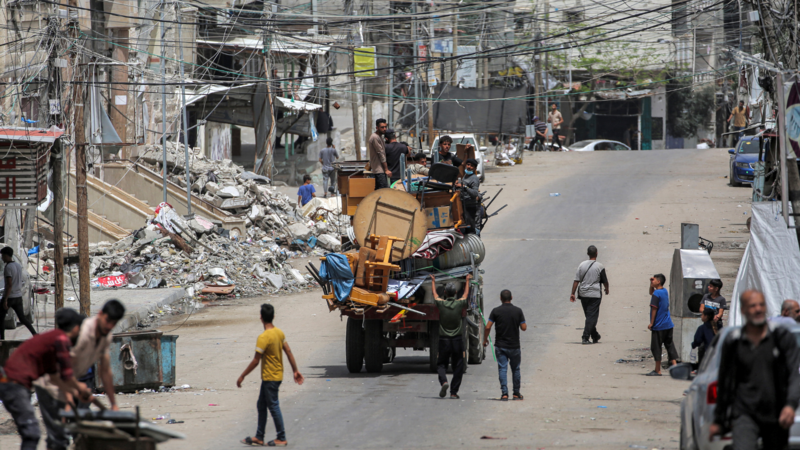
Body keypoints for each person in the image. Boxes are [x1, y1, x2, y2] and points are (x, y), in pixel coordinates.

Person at [710, 290, 800, 449]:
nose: (758, 309)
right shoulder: (734, 342)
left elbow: (793, 374)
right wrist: (719, 420)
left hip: (776, 415)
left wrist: (790, 405)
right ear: (743, 310)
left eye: (761, 305)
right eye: (752, 306)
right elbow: (725, 382)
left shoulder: (782, 337)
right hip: (744, 414)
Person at [32, 300, 126, 450]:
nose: (109, 326)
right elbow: (62, 370)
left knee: (82, 431)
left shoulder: (106, 336)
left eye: (113, 323)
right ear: (100, 314)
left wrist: (113, 404)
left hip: (74, 383)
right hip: (50, 384)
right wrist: (69, 399)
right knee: (58, 436)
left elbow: (105, 370)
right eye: (108, 321)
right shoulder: (80, 333)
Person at [0, 308, 92, 450]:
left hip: (12, 384)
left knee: (39, 433)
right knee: (31, 433)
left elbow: (55, 377)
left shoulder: (51, 339)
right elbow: (67, 375)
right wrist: (80, 388)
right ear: (75, 328)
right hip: (14, 385)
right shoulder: (60, 339)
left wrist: (73, 392)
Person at [238, 303, 304, 447]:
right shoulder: (279, 333)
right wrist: (295, 370)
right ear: (273, 317)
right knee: (261, 405)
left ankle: (281, 437)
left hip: (270, 377)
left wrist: (242, 376)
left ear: (261, 317)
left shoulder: (263, 337)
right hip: (276, 376)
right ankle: (259, 436)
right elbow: (289, 351)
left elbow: (256, 360)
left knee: (273, 406)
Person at [430, 273, 471, 400]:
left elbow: (435, 295)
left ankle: (444, 382)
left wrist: (433, 281)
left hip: (444, 340)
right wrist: (467, 280)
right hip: (457, 340)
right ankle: (453, 392)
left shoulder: (441, 305)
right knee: (458, 365)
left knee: (441, 364)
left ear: (445, 293)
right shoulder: (459, 304)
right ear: (455, 292)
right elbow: (465, 295)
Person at [483, 289, 527, 401]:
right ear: (511, 298)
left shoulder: (495, 311)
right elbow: (524, 328)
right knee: (516, 369)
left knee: (502, 369)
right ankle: (516, 393)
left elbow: (487, 327)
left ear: (500, 298)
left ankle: (504, 394)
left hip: (500, 346)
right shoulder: (518, 311)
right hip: (514, 346)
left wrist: (485, 340)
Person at [570, 245, 609, 345]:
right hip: (595, 294)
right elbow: (605, 280)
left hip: (583, 294)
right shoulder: (600, 266)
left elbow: (576, 280)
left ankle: (595, 335)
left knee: (589, 316)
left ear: (587, 254)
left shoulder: (581, 265)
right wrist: (607, 289)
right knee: (592, 317)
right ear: (597, 253)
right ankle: (585, 337)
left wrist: (572, 293)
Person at [1, 247, 36, 339]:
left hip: (10, 296)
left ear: (6, 255)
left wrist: (5, 299)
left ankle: (2, 339)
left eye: (2, 256)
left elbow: (9, 284)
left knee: (1, 318)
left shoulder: (8, 267)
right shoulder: (17, 265)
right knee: (23, 318)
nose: (2, 258)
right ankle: (35, 334)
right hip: (18, 296)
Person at [647, 273, 679, 376]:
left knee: (656, 347)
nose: (652, 281)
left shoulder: (657, 294)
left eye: (654, 280)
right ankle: (675, 367)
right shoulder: (664, 291)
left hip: (659, 325)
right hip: (668, 324)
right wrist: (651, 284)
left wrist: (651, 323)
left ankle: (657, 370)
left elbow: (654, 309)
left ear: (658, 281)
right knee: (669, 345)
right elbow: (651, 292)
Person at [457, 158, 481, 235]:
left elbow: (474, 193)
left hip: (471, 207)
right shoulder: (465, 176)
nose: (469, 167)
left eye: (472, 166)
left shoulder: (474, 178)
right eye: (468, 164)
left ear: (475, 168)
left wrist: (464, 187)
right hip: (464, 206)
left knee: (472, 230)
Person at [368, 118, 391, 189]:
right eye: (382, 127)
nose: (384, 129)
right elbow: (381, 154)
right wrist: (386, 169)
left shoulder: (379, 136)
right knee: (383, 191)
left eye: (385, 127)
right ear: (377, 128)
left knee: (379, 191)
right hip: (379, 170)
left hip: (380, 169)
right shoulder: (375, 137)